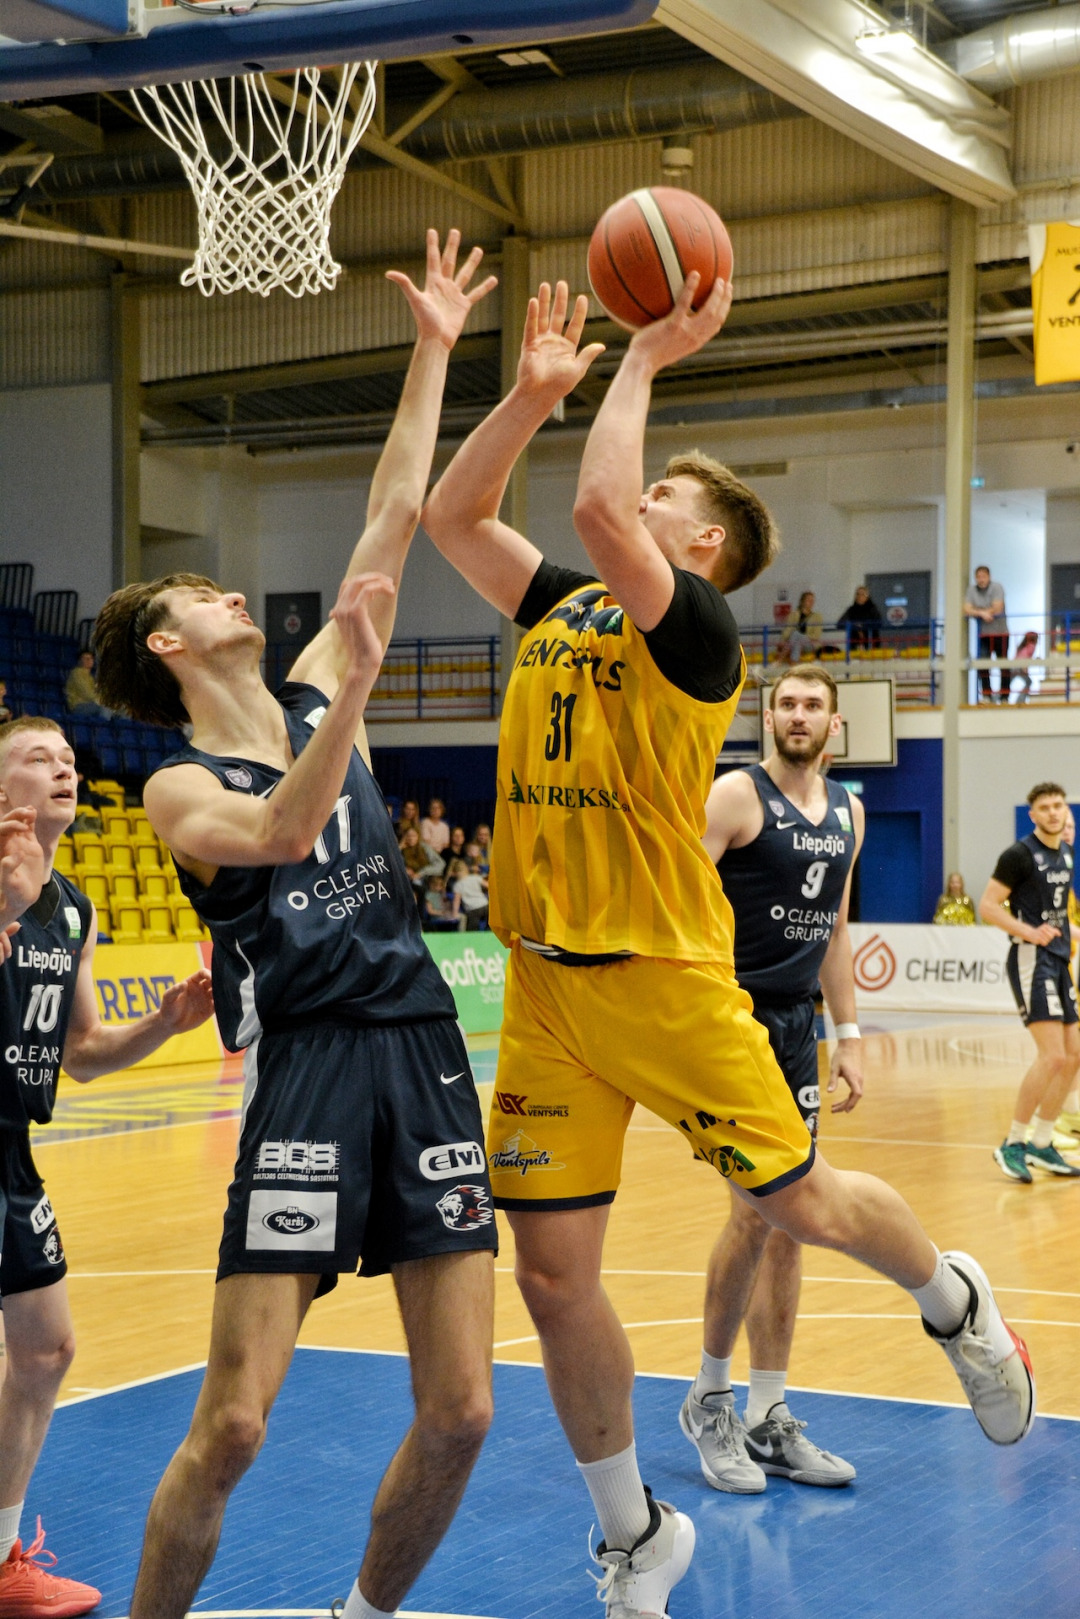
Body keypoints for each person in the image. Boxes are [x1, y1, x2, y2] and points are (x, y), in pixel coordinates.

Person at [423, 274, 1034, 1619]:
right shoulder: (566, 605)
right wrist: (528, 396)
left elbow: (599, 505)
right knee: (552, 1276)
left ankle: (955, 1298)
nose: (635, 499)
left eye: (664, 499)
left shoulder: (697, 637)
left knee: (798, 1203)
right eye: (646, 488)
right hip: (545, 987)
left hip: (665, 976)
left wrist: (643, 355)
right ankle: (635, 1532)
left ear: (702, 544)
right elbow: (451, 517)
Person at [92, 229, 499, 1619]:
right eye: (200, 593)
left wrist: (433, 348)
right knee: (235, 1424)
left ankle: (362, 1613)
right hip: (310, 1064)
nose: (230, 592)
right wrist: (356, 697)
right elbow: (275, 833)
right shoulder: (180, 784)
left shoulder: (329, 682)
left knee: (462, 1410)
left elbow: (394, 508)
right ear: (168, 644)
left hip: (422, 1046)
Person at [0, 716, 214, 1618]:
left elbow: (80, 1052)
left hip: (12, 1147)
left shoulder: (75, 910)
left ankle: (1, 1558)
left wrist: (164, 1022)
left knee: (46, 1349)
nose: (63, 768)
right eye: (37, 758)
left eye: (68, 758)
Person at [680, 664, 863, 1494]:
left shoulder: (851, 811)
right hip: (734, 1023)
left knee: (793, 1222)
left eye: (812, 704)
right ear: (769, 716)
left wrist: (848, 1035)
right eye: (785, 702)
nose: (797, 713)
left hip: (797, 1028)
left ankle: (768, 1410)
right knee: (756, 1213)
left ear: (834, 723)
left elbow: (835, 932)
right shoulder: (735, 795)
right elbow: (676, 897)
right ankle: (710, 1398)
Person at [980, 782, 1080, 1182]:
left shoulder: (1066, 852)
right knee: (1052, 1056)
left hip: (1059, 960)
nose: (1054, 812)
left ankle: (1041, 1142)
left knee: (1073, 1056)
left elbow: (1056, 912)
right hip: (1030, 959)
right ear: (1033, 814)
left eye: (1059, 806)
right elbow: (988, 907)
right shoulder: (1018, 855)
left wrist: (1069, 933)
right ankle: (1013, 1142)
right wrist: (1029, 932)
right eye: (1045, 807)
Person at [963, 566, 1008, 703]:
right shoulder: (971, 590)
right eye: (978, 577)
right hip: (983, 635)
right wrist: (982, 613)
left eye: (983, 576)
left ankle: (1004, 696)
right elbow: (966, 609)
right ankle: (987, 695)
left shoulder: (997, 587)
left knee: (1003, 664)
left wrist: (978, 611)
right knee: (983, 664)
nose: (981, 580)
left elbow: (998, 607)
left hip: (1000, 633)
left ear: (989, 577)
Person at [64, 651, 116, 723]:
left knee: (123, 710)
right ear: (79, 661)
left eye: (91, 658)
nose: (89, 660)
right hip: (79, 705)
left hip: (92, 704)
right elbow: (87, 694)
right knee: (105, 708)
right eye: (86, 658)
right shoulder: (77, 673)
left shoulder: (90, 677)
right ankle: (101, 727)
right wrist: (103, 701)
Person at [775, 590, 822, 664]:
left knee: (796, 634)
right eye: (809, 600)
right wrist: (782, 641)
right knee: (796, 640)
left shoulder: (817, 617)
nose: (811, 602)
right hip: (795, 643)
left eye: (812, 600)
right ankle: (794, 663)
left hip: (810, 644)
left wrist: (801, 636)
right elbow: (788, 630)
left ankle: (779, 660)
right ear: (802, 601)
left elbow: (816, 636)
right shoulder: (793, 615)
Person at [836, 584, 882, 651]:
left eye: (862, 594)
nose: (859, 596)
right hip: (855, 644)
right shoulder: (851, 610)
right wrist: (854, 625)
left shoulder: (872, 609)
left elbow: (879, 622)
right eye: (857, 594)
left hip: (871, 644)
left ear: (867, 597)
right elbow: (840, 624)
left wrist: (863, 626)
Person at [454, 849, 489, 931]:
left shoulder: (458, 885)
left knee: (472, 930)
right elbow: (489, 886)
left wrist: (454, 913)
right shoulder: (475, 877)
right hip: (485, 905)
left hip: (472, 909)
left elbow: (456, 900)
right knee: (490, 925)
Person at [1011, 630, 1038, 703]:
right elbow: (1026, 658)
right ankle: (1020, 700)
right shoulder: (1031, 646)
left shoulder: (1021, 646)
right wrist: (1025, 669)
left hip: (1014, 666)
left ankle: (997, 697)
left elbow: (1018, 657)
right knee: (1028, 682)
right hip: (1021, 667)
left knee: (1007, 682)